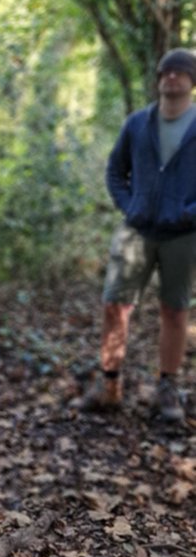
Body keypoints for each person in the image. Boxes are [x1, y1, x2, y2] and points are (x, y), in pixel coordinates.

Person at [83, 47, 196, 425]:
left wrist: (187, 212)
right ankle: (109, 385)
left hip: (183, 235)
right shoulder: (137, 124)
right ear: (159, 78)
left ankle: (167, 387)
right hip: (136, 231)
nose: (172, 77)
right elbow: (116, 171)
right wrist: (129, 205)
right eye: (166, 72)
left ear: (191, 81)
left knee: (175, 310)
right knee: (115, 305)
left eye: (180, 72)